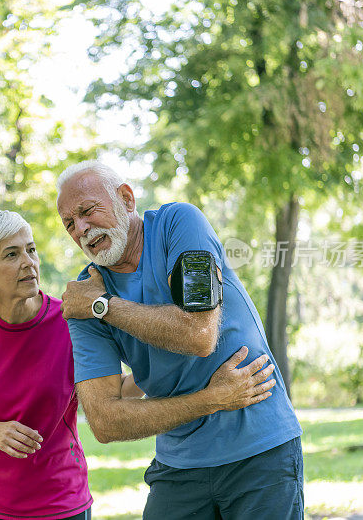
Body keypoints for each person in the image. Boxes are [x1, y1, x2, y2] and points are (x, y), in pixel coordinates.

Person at [0, 209, 279, 520]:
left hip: (60, 498)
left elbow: (119, 388)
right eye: (12, 254)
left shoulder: (72, 319)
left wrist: (195, 378)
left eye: (31, 249)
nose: (29, 262)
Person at [56, 161, 304, 520]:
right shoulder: (83, 299)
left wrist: (104, 307)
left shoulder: (180, 224)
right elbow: (105, 421)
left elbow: (199, 332)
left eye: (87, 211)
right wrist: (212, 399)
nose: (81, 228)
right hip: (179, 466)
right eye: (69, 224)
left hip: (259, 451)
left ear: (126, 199)